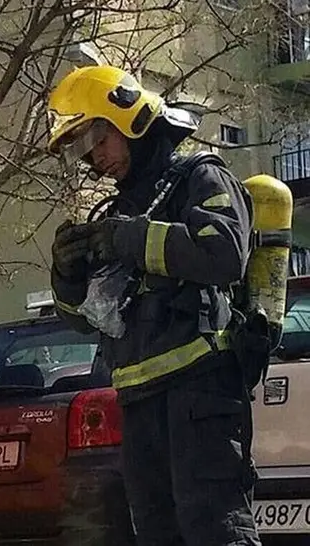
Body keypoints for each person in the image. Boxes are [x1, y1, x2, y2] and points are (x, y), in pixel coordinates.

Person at [46, 65, 261, 546]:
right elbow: (84, 320)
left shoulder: (199, 177)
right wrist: (67, 274)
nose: (95, 157)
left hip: (202, 393)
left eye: (98, 139)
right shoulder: (116, 212)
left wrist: (129, 239)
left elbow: (224, 253)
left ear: (130, 117)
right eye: (84, 150)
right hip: (139, 404)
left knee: (216, 530)